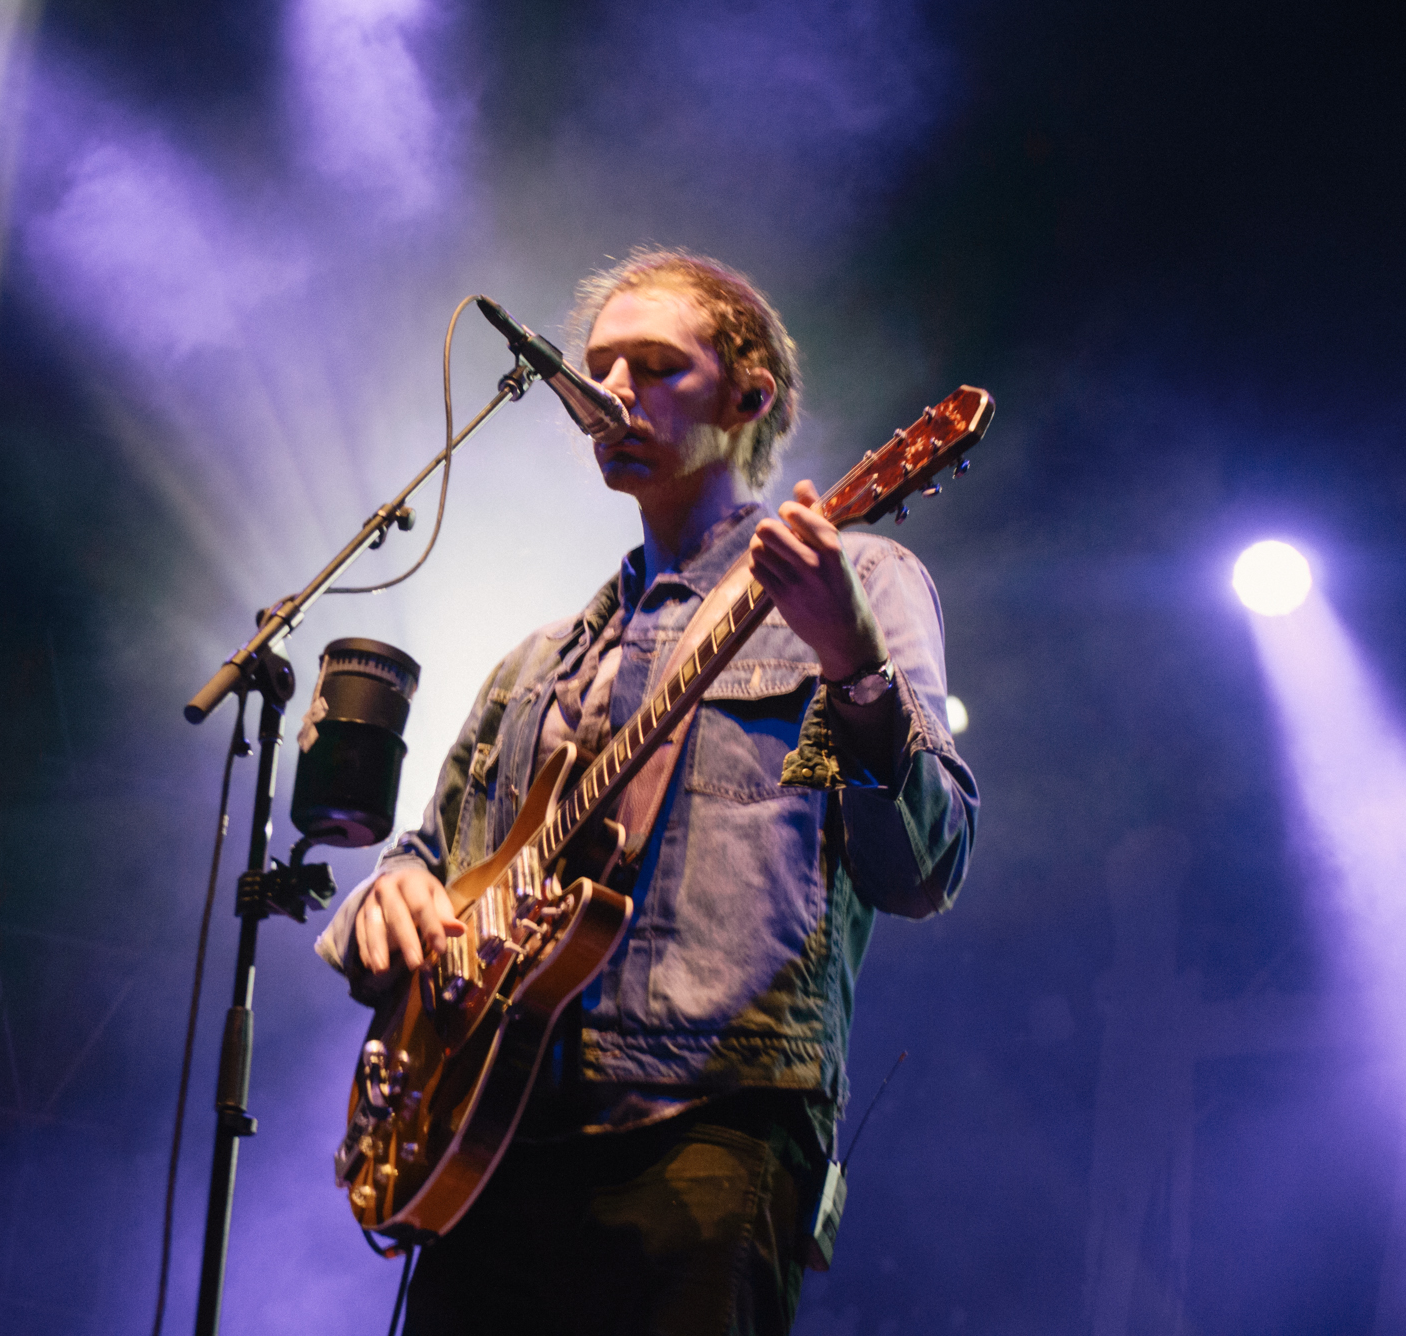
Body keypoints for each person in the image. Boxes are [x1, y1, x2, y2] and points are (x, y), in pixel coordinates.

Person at [314, 248, 978, 1334]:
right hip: (490, 1140)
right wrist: (388, 895)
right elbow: (430, 858)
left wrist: (852, 666)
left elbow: (922, 865)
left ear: (748, 395)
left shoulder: (855, 582)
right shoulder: (535, 665)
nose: (611, 392)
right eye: (600, 367)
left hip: (708, 1127)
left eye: (657, 366)